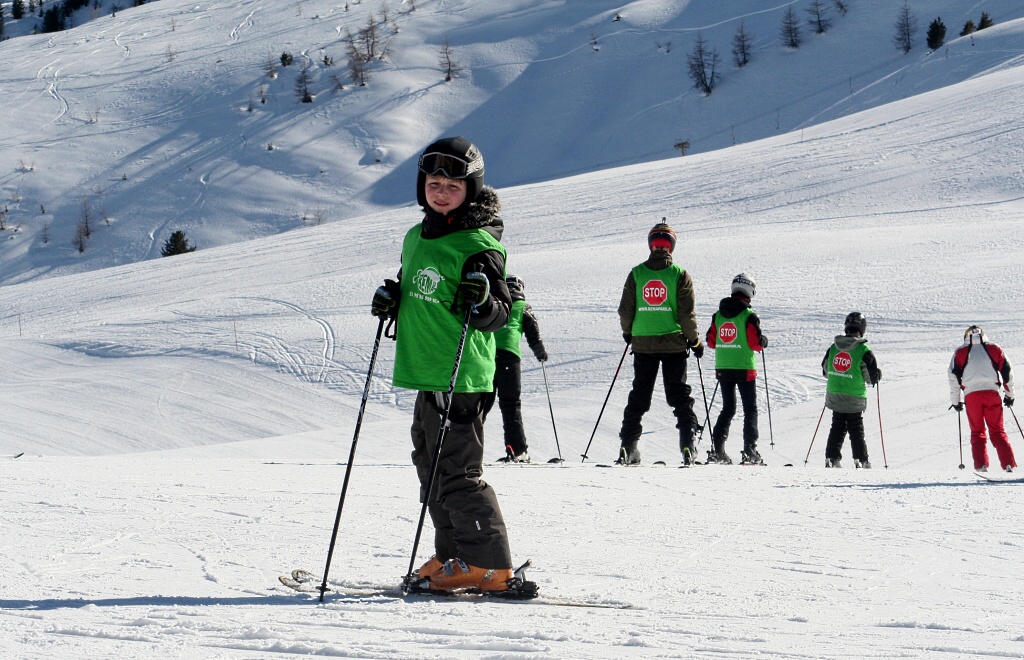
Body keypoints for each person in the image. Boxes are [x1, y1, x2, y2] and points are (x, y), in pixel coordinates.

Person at [370, 136, 516, 592]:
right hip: (426, 367)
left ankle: (489, 565)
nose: (441, 192)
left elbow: (502, 312)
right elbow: (417, 287)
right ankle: (453, 554)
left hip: (462, 373)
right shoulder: (416, 237)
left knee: (457, 471)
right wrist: (393, 298)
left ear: (470, 190)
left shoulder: (478, 244)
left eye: (453, 185)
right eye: (434, 183)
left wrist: (484, 301)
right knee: (429, 468)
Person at [617, 220, 703, 465]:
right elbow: (687, 315)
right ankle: (688, 445)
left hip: (643, 344)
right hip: (674, 344)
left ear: (651, 245)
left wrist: (628, 333)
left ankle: (627, 446)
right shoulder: (680, 275)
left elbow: (625, 311)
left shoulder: (636, 273)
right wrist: (695, 342)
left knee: (639, 397)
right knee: (679, 396)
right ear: (672, 247)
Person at [705, 273, 767, 465]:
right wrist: (764, 341)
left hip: (724, 367)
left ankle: (717, 451)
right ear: (750, 291)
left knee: (728, 408)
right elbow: (756, 343)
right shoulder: (749, 315)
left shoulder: (718, 315)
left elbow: (711, 342)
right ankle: (749, 450)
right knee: (750, 409)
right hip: (745, 368)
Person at [488, 274, 548, 463]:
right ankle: (517, 450)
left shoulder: (496, 303)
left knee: (480, 404)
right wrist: (541, 354)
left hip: (487, 356)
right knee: (510, 405)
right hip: (509, 357)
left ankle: (467, 448)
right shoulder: (524, 307)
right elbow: (534, 335)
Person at [948, 325, 1016, 472]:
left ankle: (981, 466)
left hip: (972, 396)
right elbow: (1006, 371)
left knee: (977, 432)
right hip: (992, 393)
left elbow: (953, 377)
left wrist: (956, 401)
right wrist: (1010, 395)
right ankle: (1008, 465)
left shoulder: (960, 352)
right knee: (998, 430)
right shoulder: (994, 348)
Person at [820, 312, 881, 468]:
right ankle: (861, 459)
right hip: (854, 396)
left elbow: (825, 370)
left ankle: (832, 458)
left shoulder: (834, 347)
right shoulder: (863, 350)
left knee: (837, 425)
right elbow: (870, 378)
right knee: (856, 428)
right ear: (862, 329)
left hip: (835, 394)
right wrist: (877, 375)